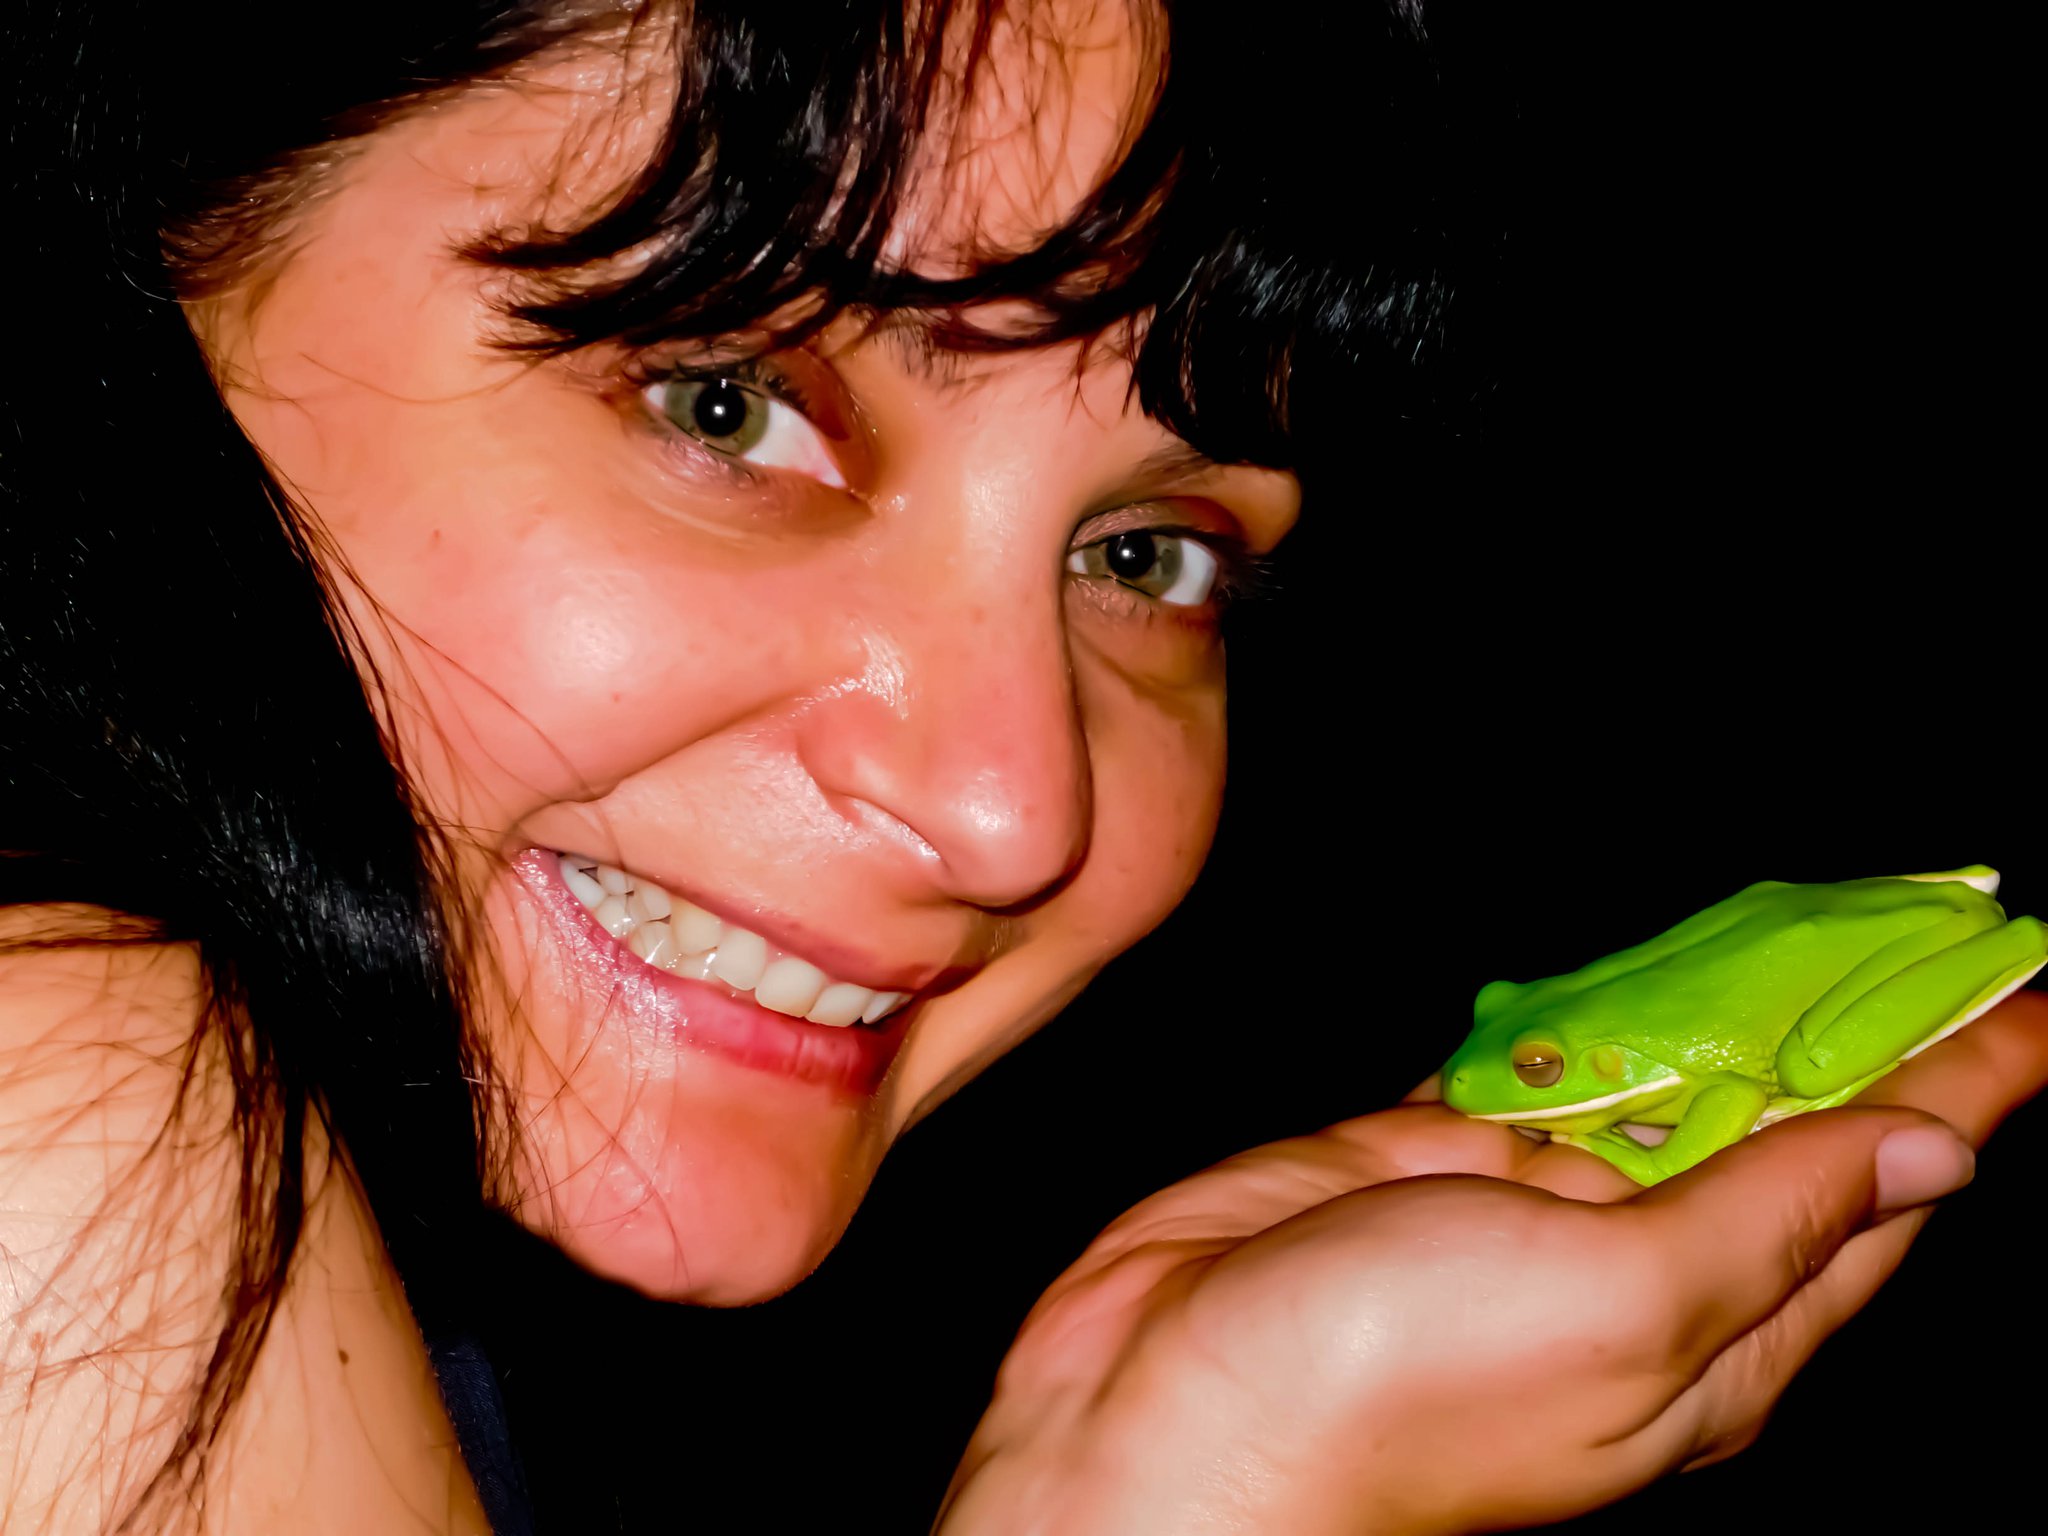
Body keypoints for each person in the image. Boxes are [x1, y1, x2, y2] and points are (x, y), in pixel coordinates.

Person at [5, 3, 2045, 1533]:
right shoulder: (54, 1073)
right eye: (725, 400)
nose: (1014, 808)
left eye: (1144, 557)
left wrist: (1153, 1469)